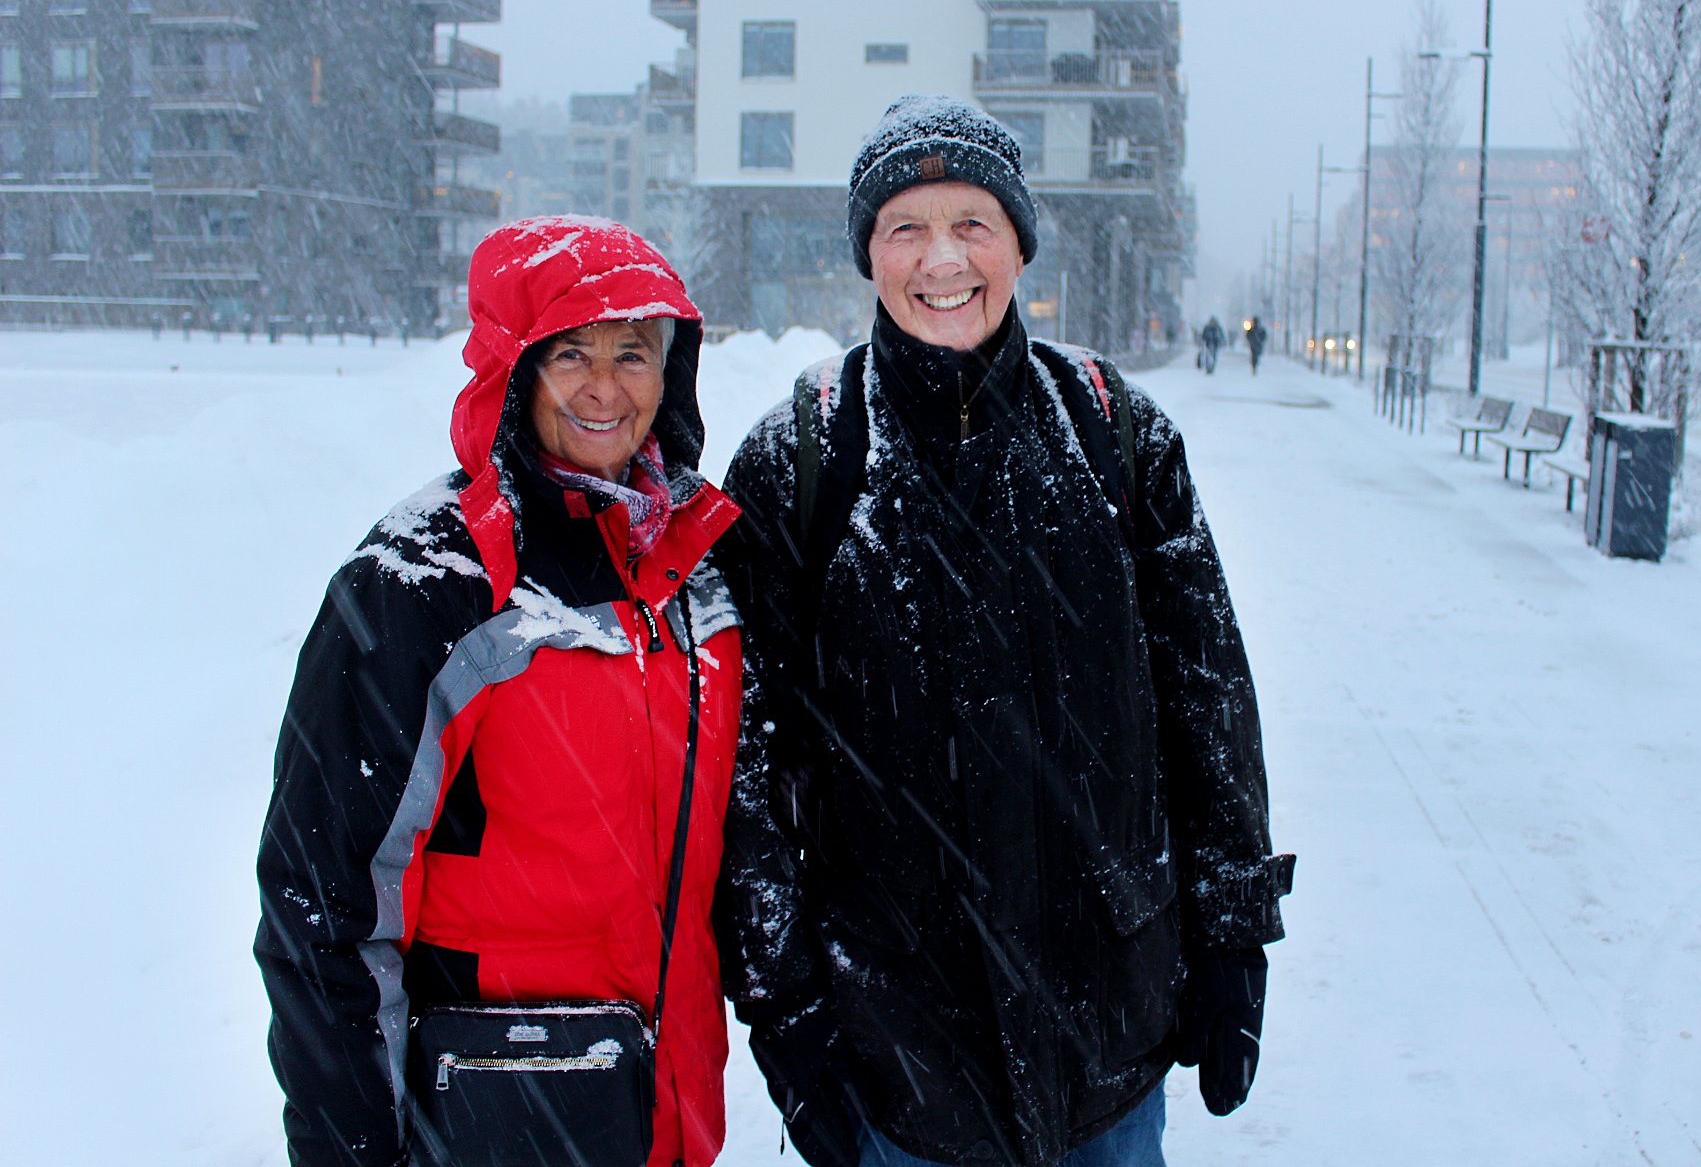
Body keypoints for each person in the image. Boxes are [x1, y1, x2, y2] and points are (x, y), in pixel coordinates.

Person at [717, 96, 1293, 1167]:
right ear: (868, 255)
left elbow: (1206, 700)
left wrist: (1232, 932)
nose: (942, 257)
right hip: (899, 1061)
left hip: (1107, 1045)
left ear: (1019, 242)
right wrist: (785, 1016)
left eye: (972, 222)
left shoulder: (1114, 433)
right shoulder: (800, 462)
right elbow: (748, 775)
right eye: (905, 227)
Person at [254, 218, 744, 1167]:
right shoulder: (425, 581)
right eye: (571, 352)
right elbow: (325, 902)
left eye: (633, 352)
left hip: (666, 1117)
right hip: (491, 1117)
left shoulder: (698, 571)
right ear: (513, 370)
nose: (606, 387)